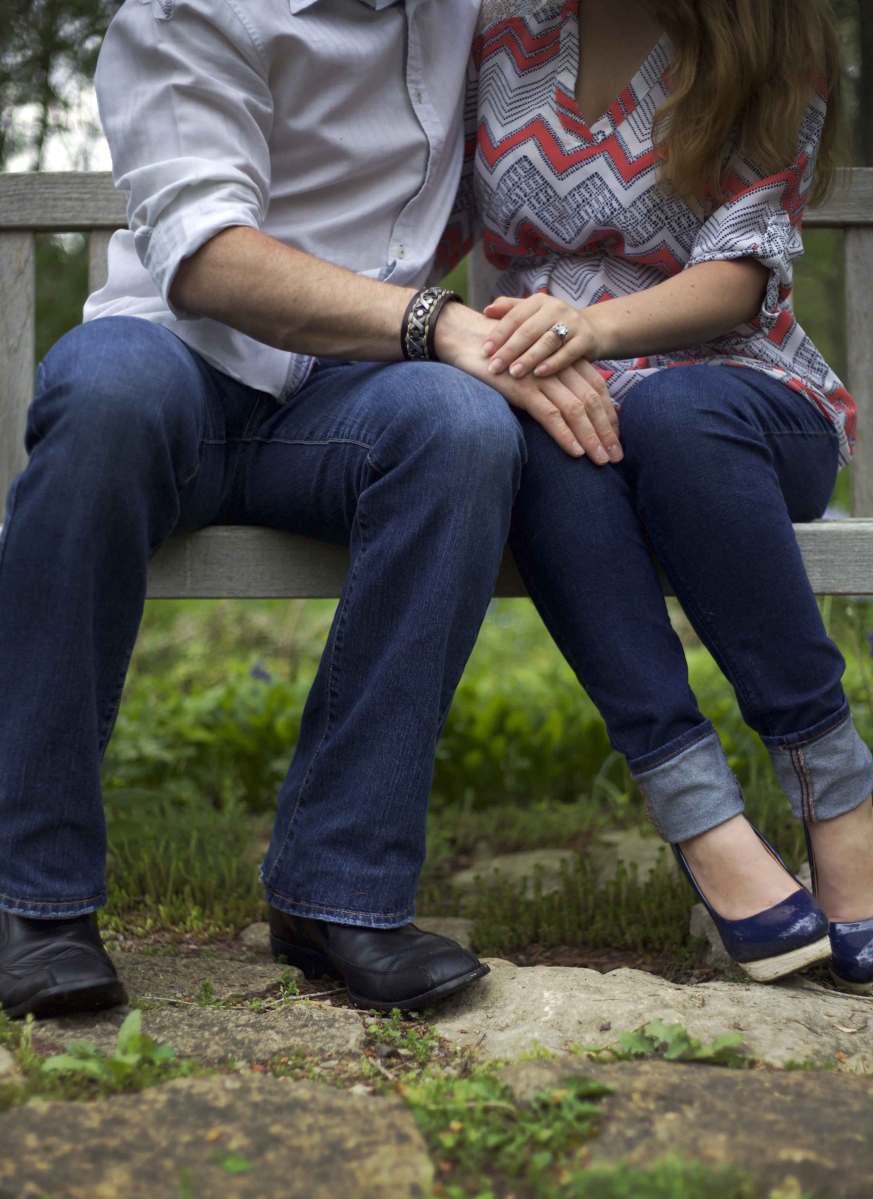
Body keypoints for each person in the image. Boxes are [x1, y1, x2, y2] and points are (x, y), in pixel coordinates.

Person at [0, 0, 626, 1020]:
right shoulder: (188, 10)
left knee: (462, 428)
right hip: (175, 363)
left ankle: (337, 893)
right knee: (103, 395)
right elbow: (208, 258)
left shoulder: (468, 11)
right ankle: (31, 899)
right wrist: (439, 320)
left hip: (352, 392)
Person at [469, 0, 873, 988]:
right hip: (553, 387)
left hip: (740, 398)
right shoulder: (497, 30)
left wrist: (585, 330)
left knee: (668, 414)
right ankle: (703, 819)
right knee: (544, 428)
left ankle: (841, 800)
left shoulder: (769, 39)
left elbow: (738, 276)